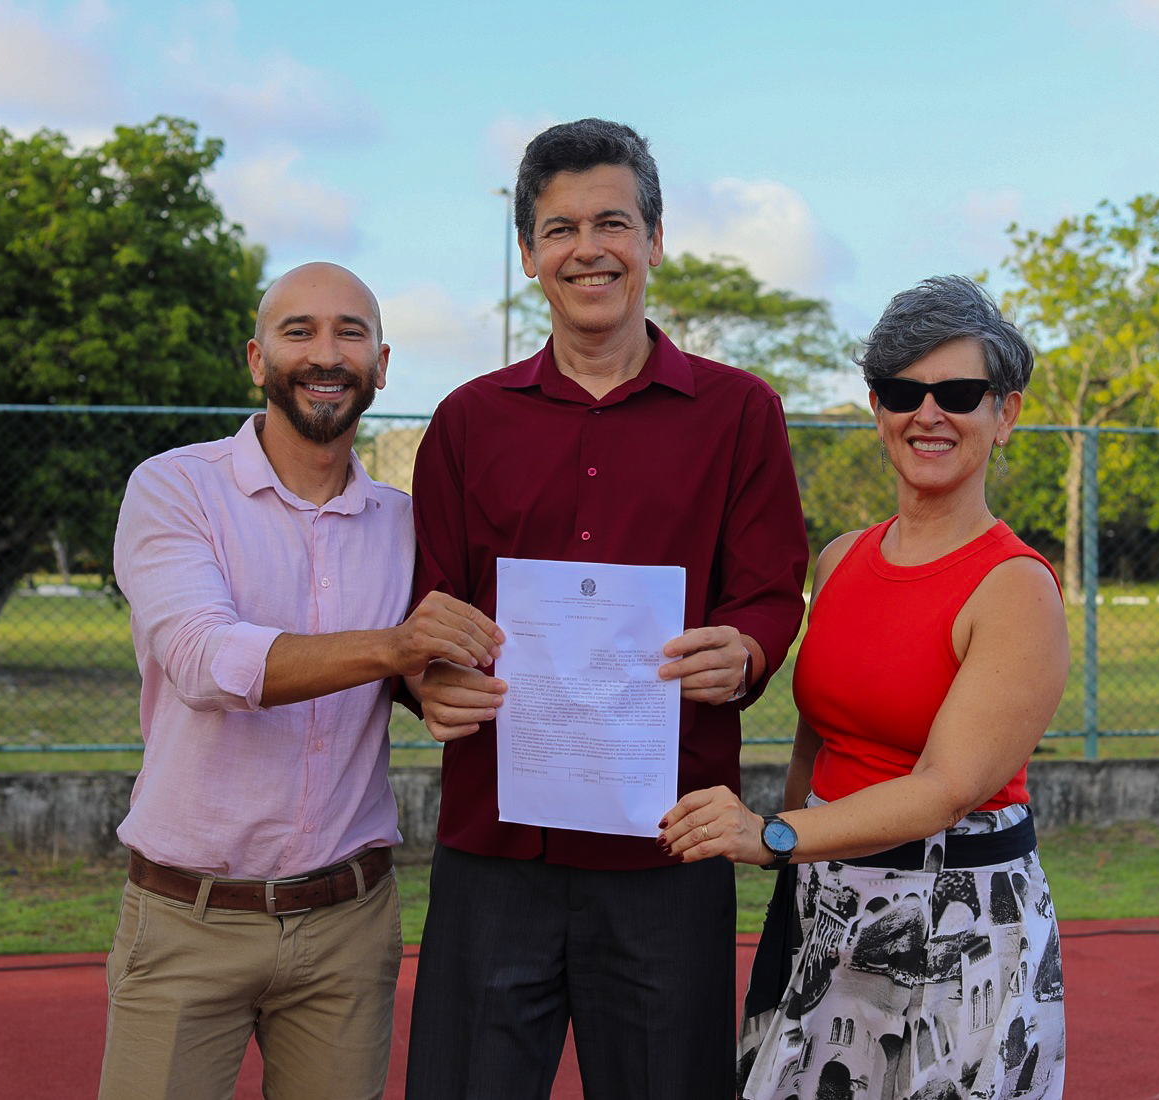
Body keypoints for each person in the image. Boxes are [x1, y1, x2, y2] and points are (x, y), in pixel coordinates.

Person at [403, 118, 809, 1099]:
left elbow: (768, 590)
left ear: (655, 240)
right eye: (561, 228)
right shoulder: (466, 420)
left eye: (613, 223)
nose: (588, 249)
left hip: (668, 840)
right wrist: (427, 682)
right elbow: (427, 606)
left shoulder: (740, 412)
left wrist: (747, 651)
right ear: (529, 253)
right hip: (497, 844)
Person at [99, 262, 503, 1100]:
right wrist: (396, 651)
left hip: (348, 922)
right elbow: (205, 660)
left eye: (350, 333)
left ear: (381, 366)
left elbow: (420, 668)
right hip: (189, 919)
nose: (326, 354)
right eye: (299, 331)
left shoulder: (405, 521)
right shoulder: (174, 486)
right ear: (257, 359)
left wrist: (430, 684)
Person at [661, 275, 1069, 1099]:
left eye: (959, 394)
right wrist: (795, 862)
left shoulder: (1015, 587)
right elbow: (816, 738)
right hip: (826, 905)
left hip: (955, 923)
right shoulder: (843, 557)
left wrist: (775, 835)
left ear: (1006, 413)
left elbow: (946, 789)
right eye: (902, 392)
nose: (928, 414)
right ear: (877, 408)